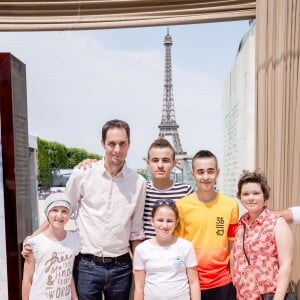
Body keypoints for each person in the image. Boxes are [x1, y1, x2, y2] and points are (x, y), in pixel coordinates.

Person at [23, 119, 147, 300]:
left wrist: (142, 271)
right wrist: (33, 238)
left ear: (129, 144)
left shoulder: (139, 182)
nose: (117, 149)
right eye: (112, 143)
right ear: (102, 143)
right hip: (86, 265)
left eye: (122, 143)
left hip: (121, 267)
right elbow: (60, 213)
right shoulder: (82, 174)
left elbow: (136, 232)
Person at [175, 150, 238, 300]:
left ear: (217, 172)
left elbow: (232, 246)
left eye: (210, 171)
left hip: (223, 282)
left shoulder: (230, 205)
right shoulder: (181, 206)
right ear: (193, 174)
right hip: (191, 282)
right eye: (200, 172)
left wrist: (235, 280)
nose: (205, 177)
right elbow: (177, 249)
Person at [231, 170, 293, 300]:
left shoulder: (277, 222)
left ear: (264, 195)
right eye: (246, 194)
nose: (251, 198)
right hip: (242, 296)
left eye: (256, 193)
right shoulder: (240, 224)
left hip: (269, 295)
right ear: (240, 197)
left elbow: (286, 264)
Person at [133, 199, 200, 300]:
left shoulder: (186, 247)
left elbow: (194, 282)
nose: (164, 225)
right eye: (160, 220)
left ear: (176, 223)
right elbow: (139, 288)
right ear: (152, 221)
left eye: (169, 221)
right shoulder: (141, 249)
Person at [22, 193, 81, 300]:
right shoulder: (35, 243)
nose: (59, 215)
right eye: (54, 210)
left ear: (69, 215)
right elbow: (27, 279)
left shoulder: (74, 240)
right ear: (47, 213)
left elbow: (68, 273)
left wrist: (75, 298)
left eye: (64, 211)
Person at [144, 138, 194, 238]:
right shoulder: (142, 190)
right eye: (155, 160)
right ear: (148, 163)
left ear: (174, 164)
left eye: (165, 160)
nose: (160, 165)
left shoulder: (186, 192)